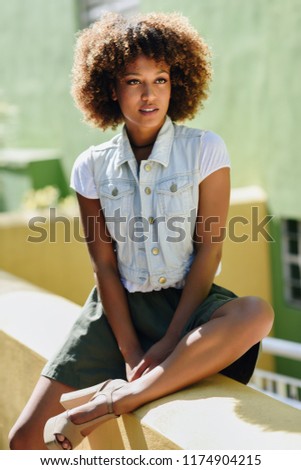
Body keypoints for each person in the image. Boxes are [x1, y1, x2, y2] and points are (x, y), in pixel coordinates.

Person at [9, 11, 274, 450]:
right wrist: (133, 354)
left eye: (161, 80)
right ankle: (132, 385)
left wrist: (170, 341)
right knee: (24, 442)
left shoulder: (206, 150)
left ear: (178, 83)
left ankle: (116, 401)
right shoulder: (90, 166)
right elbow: (104, 266)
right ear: (110, 88)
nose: (149, 95)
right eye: (134, 81)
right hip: (116, 313)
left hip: (188, 303)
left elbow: (209, 250)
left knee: (257, 313)